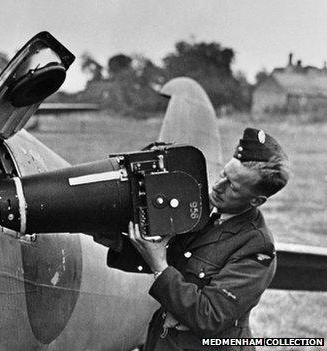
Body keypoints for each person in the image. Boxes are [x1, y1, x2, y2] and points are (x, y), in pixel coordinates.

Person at [100, 128, 290, 350]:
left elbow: (210, 317)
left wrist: (159, 265)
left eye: (233, 187)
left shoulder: (257, 247)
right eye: (223, 175)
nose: (218, 187)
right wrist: (119, 244)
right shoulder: (203, 210)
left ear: (256, 201)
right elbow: (173, 258)